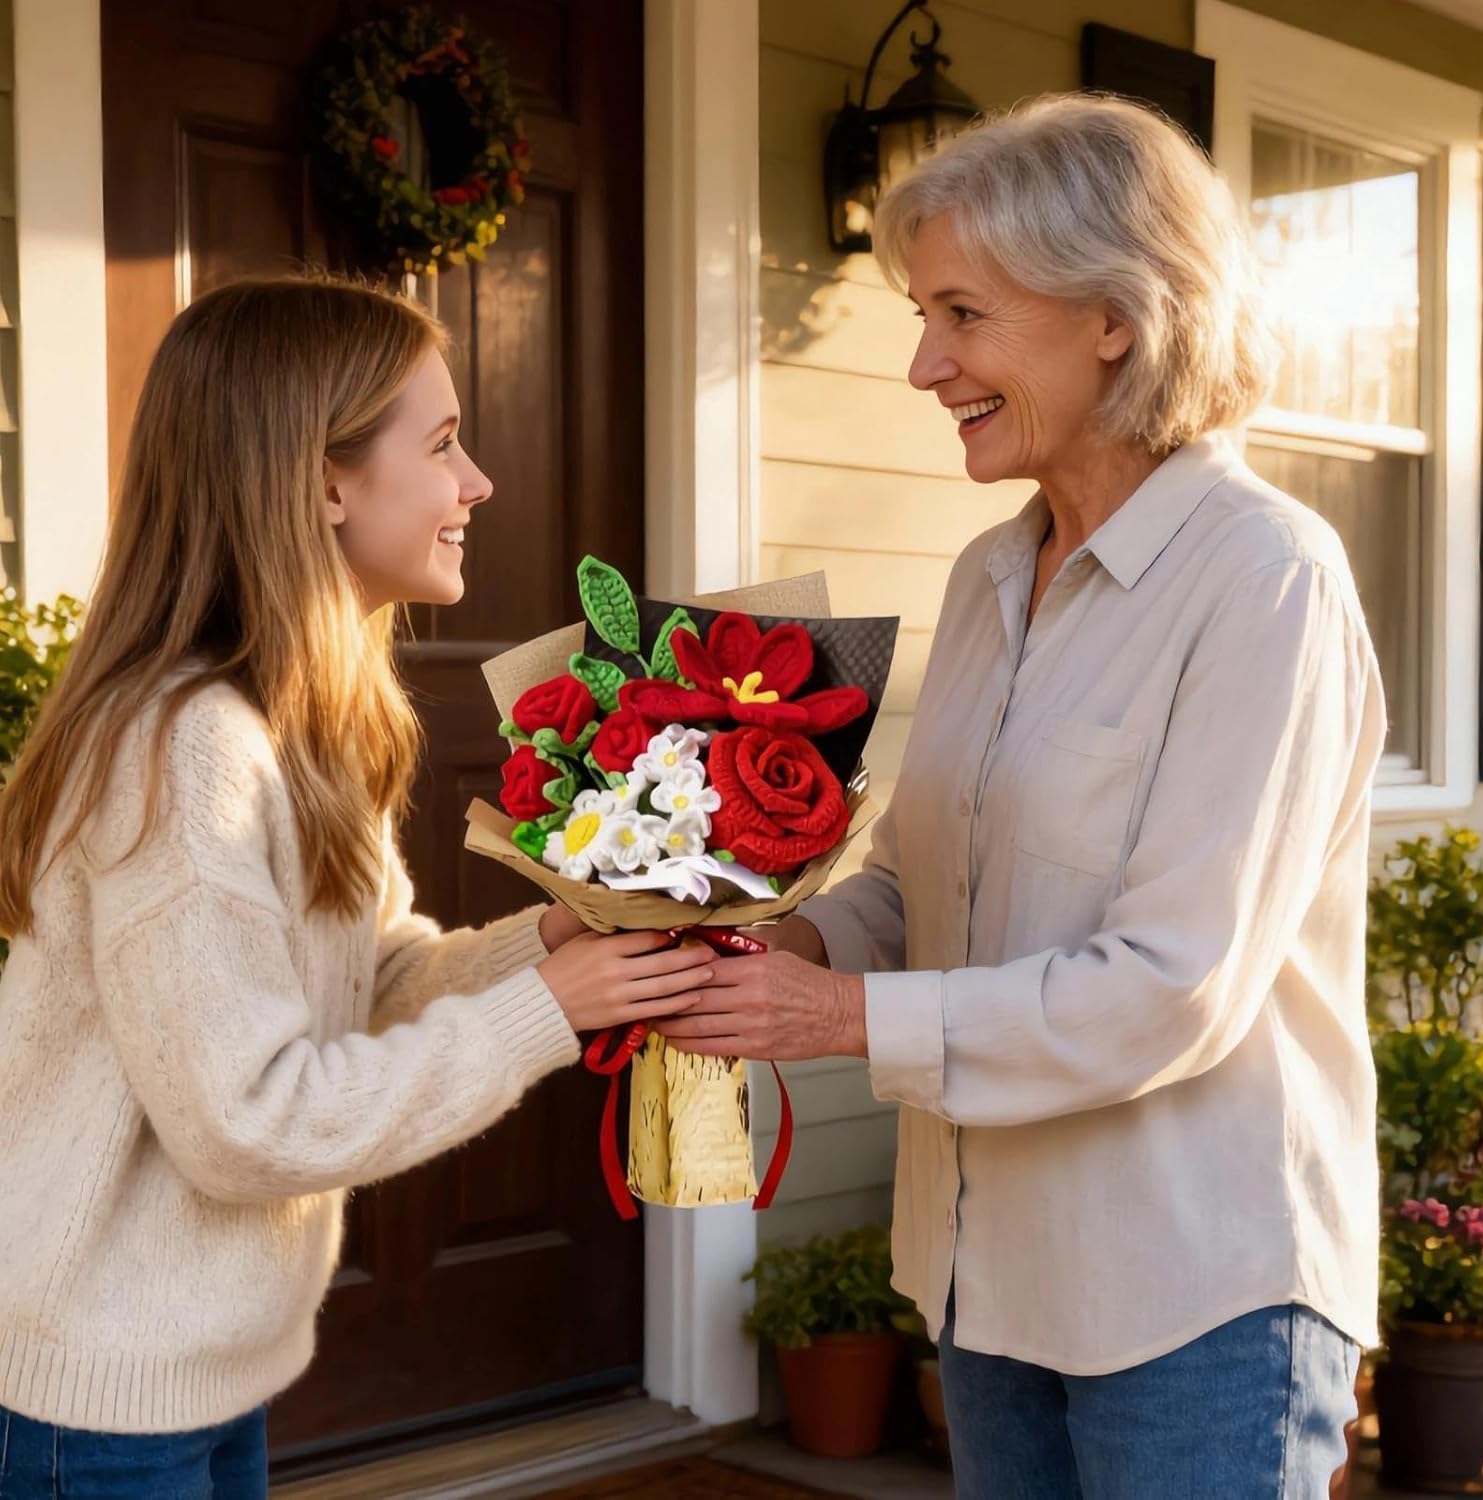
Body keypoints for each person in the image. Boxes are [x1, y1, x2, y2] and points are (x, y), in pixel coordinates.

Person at [656, 95, 1385, 1499]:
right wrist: (765, 952)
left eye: (963, 315)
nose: (925, 365)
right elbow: (922, 884)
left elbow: (1174, 985)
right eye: (923, 317)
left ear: (1115, 314)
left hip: (1194, 1302)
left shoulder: (1266, 579)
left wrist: (836, 1018)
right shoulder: (991, 573)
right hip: (983, 1279)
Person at [0, 275, 713, 1499]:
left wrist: (552, 943)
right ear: (324, 481)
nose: (477, 482)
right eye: (441, 445)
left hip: (199, 1369)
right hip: (93, 1397)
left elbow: (374, 975)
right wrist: (548, 1012)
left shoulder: (299, 724)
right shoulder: (184, 747)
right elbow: (248, 1124)